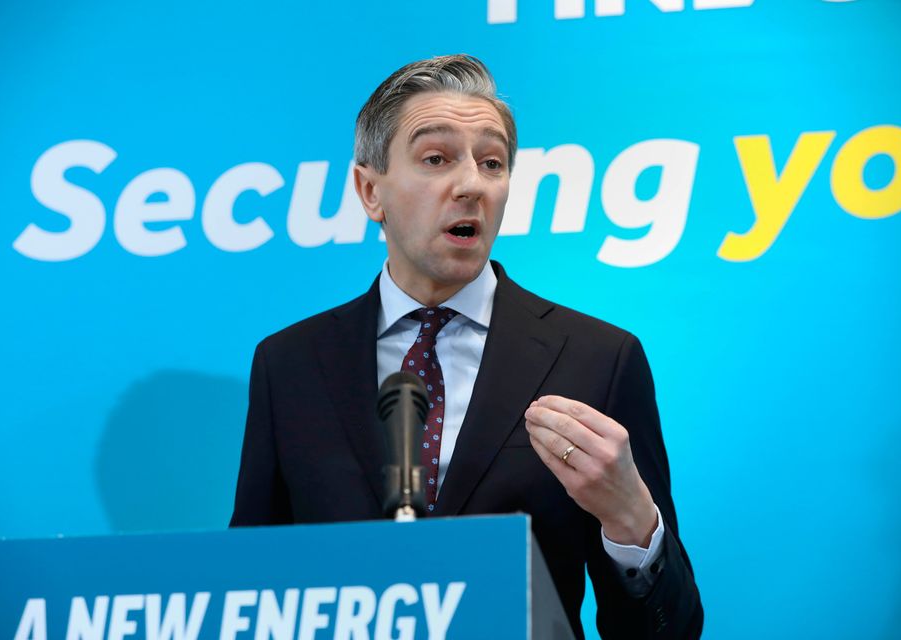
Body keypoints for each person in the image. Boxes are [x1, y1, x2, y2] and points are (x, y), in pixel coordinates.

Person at [231, 54, 702, 639]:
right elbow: (247, 588)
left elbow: (669, 632)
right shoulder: (291, 364)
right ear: (370, 190)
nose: (472, 184)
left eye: (492, 162)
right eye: (436, 158)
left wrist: (632, 520)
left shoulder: (597, 359)